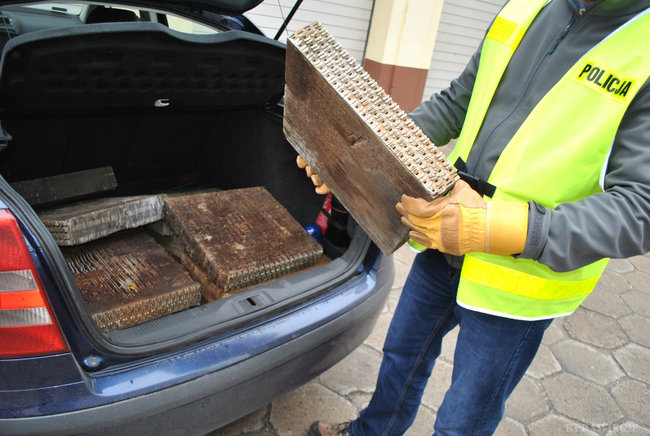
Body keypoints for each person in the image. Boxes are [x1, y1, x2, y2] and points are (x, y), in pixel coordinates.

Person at [299, 0, 650, 434]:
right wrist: (360, 158)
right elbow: (456, 103)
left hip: (517, 282)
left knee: (463, 418)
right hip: (443, 240)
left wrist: (490, 227)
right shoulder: (527, 7)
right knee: (401, 356)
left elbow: (639, 209)